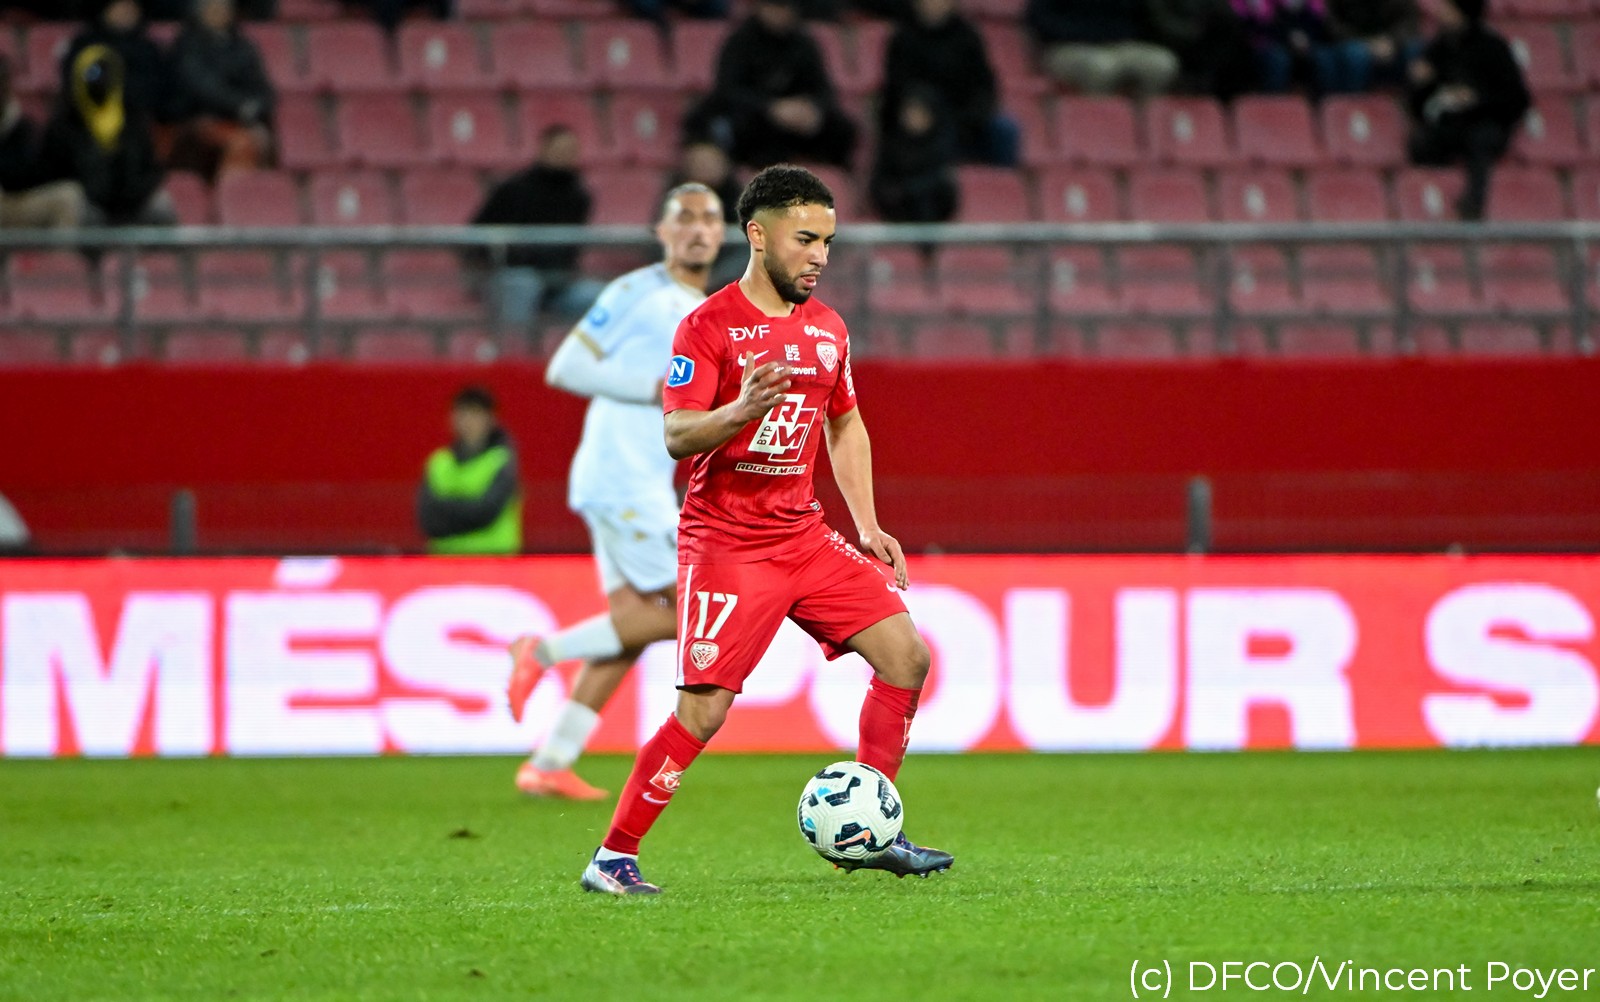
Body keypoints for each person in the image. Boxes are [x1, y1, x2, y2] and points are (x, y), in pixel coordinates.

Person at [578, 164, 953, 895]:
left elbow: (844, 423)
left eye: (828, 242)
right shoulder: (707, 326)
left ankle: (870, 830)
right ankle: (613, 858)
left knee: (906, 657)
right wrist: (740, 411)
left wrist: (867, 523)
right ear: (758, 235)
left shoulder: (828, 329)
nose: (819, 256)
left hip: (804, 535)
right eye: (805, 239)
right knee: (703, 712)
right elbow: (679, 434)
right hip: (726, 543)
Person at [504, 183, 727, 801]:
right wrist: (653, 387)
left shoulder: (702, 306)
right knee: (690, 610)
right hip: (622, 480)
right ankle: (541, 651)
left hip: (638, 480)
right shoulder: (638, 291)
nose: (698, 229)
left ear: (723, 233)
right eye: (684, 218)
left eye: (710, 218)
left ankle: (550, 762)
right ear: (662, 231)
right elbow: (565, 367)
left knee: (634, 626)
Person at [682, 0, 858, 169]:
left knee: (842, 128)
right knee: (743, 127)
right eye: (775, 7)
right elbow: (728, 92)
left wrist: (811, 108)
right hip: (757, 117)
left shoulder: (804, 43)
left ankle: (829, 172)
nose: (780, 14)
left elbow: (822, 88)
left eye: (786, 8)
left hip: (797, 118)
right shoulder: (740, 42)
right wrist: (771, 108)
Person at [469, 124, 605, 328]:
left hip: (557, 281)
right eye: (559, 149)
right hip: (512, 274)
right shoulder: (513, 189)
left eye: (570, 150)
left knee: (601, 296)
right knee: (523, 283)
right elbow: (476, 236)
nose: (564, 155)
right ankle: (514, 346)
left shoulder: (579, 196)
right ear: (543, 149)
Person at [1405, 0, 1528, 221]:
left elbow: (1516, 99)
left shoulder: (1493, 48)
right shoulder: (1439, 48)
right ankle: (1428, 208)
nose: (1441, 13)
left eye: (1449, 9)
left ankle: (1473, 206)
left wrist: (1476, 100)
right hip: (1450, 123)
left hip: (1486, 122)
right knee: (1421, 144)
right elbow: (1420, 104)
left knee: (1480, 141)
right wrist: (1422, 84)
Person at [35, 46, 177, 226]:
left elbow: (149, 170)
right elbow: (53, 176)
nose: (100, 80)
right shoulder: (63, 125)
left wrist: (130, 192)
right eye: (92, 73)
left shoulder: (133, 120)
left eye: (106, 73)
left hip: (132, 203)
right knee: (73, 206)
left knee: (161, 206)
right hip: (88, 204)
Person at [882, 0, 1018, 167]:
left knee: (1005, 129)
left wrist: (973, 117)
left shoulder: (968, 36)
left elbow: (985, 86)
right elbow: (898, 89)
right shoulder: (902, 39)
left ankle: (1004, 180)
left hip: (966, 118)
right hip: (925, 118)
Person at [168, 0, 275, 181]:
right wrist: (241, 106)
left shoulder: (243, 46)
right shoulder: (188, 44)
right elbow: (201, 87)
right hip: (198, 118)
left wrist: (255, 107)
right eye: (214, 8)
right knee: (242, 142)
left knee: (263, 140)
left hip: (241, 120)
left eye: (224, 8)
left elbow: (263, 89)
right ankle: (234, 194)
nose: (220, 13)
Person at [416, 385, 523, 556]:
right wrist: (469, 507)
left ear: (491, 419)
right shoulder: (438, 463)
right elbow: (427, 519)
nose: (468, 422)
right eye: (462, 413)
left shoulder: (500, 461)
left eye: (476, 414)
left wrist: (447, 509)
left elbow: (485, 512)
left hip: (493, 563)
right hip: (444, 564)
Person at [0, 55, 89, 230]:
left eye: (2, 81)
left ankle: (60, 249)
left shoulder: (23, 127)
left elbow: (24, 176)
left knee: (69, 196)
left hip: (13, 204)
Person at [61, 0, 179, 128]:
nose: (126, 11)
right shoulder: (85, 46)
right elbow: (78, 88)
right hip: (86, 123)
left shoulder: (147, 49)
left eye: (131, 6)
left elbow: (159, 93)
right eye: (119, 5)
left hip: (138, 124)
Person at [1026, 0, 1180, 96]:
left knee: (1161, 64)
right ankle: (1098, 130)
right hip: (1065, 47)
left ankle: (1145, 130)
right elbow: (1039, 18)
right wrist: (1082, 34)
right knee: (1101, 68)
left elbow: (1140, 18)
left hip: (1117, 46)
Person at [869, 86, 958, 223]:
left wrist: (912, 190)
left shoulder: (942, 148)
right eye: (909, 113)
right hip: (894, 220)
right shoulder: (891, 148)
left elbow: (944, 190)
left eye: (919, 113)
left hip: (934, 220)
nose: (913, 118)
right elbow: (879, 187)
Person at [1232, 0, 1356, 95]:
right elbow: (1265, 23)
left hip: (1310, 42)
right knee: (1278, 60)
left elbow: (1321, 22)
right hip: (1268, 45)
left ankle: (1330, 109)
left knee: (1326, 58)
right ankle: (1274, 108)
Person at [1328, 0, 1423, 90]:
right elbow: (1334, 26)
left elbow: (1409, 20)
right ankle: (1354, 97)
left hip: (1390, 39)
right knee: (1356, 54)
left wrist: (1393, 41)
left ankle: (1411, 96)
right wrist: (1368, 44)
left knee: (1413, 48)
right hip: (1355, 41)